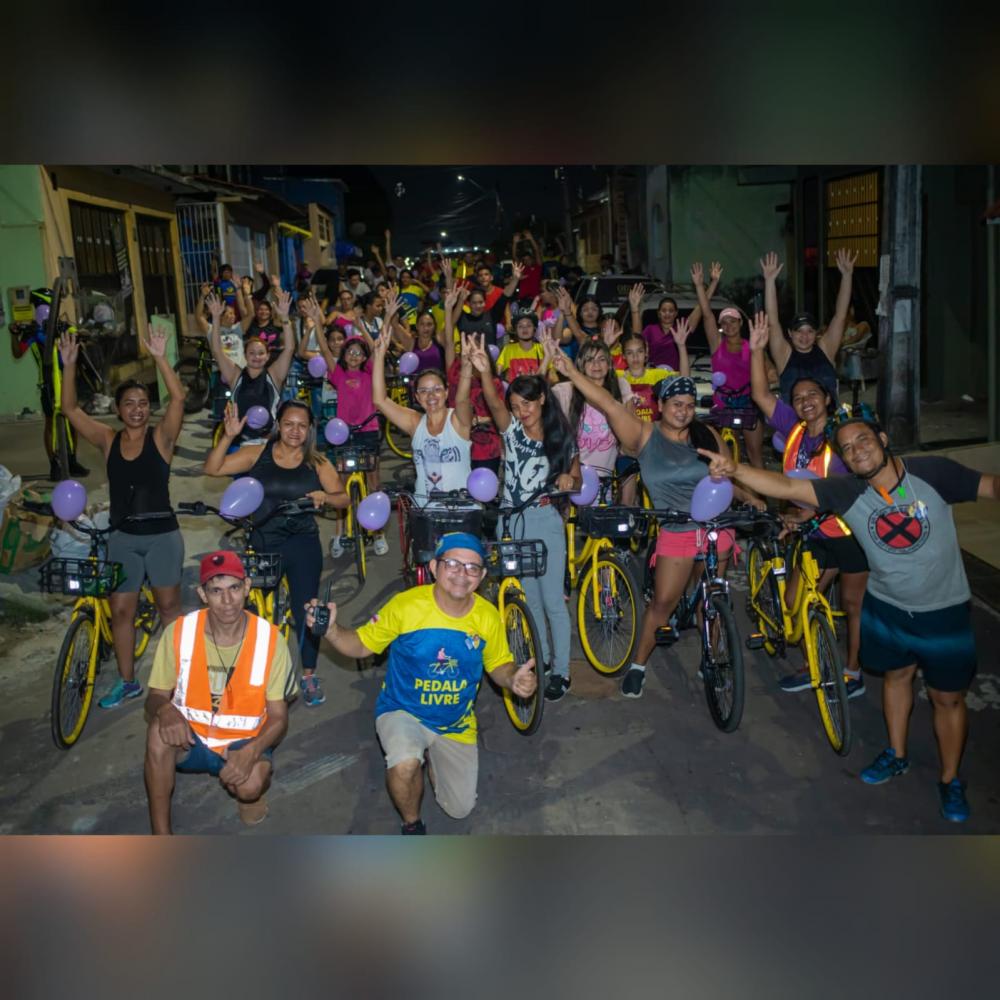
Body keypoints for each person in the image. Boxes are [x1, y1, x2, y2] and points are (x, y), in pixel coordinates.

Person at [698, 402, 999, 824]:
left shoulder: (933, 473)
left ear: (883, 440)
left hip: (943, 611)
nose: (857, 450)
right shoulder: (847, 491)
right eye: (847, 448)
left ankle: (950, 780)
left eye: (863, 440)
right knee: (895, 678)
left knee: (947, 699)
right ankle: (896, 753)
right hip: (888, 607)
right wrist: (735, 470)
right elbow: (786, 486)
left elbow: (991, 486)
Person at [549, 331, 757, 700]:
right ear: (660, 405)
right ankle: (639, 665)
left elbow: (732, 475)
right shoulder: (645, 435)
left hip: (715, 527)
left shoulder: (707, 434)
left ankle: (712, 653)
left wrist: (752, 498)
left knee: (711, 596)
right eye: (676, 404)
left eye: (689, 405)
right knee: (663, 603)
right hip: (676, 528)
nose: (683, 411)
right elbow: (608, 403)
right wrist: (572, 372)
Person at [305, 532, 537, 834]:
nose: (461, 573)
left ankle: (431, 755)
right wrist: (333, 631)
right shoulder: (406, 606)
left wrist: (514, 678)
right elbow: (361, 645)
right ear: (434, 568)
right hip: (403, 711)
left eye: (472, 567)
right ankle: (411, 823)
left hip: (456, 722)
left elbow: (498, 665)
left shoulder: (488, 616)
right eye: (452, 563)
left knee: (459, 809)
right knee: (404, 764)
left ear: (481, 577)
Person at [58, 326, 185, 708]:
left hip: (162, 537)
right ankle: (128, 681)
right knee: (121, 612)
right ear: (118, 409)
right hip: (123, 539)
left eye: (143, 403)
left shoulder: (161, 438)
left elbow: (178, 398)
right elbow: (70, 410)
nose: (137, 409)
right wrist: (69, 365)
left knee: (168, 610)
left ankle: (182, 682)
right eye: (129, 403)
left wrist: (160, 357)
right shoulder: (108, 439)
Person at [746, 316, 868, 696]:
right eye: (798, 398)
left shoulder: (845, 435)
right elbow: (761, 395)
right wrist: (757, 350)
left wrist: (809, 513)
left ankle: (852, 673)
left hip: (848, 532)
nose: (805, 402)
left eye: (812, 395)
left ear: (827, 398)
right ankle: (813, 658)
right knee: (794, 600)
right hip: (811, 532)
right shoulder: (793, 428)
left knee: (852, 605)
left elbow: (856, 486)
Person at [204, 397, 349, 706]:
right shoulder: (257, 454)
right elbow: (213, 468)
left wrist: (326, 496)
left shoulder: (317, 462)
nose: (295, 431)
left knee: (306, 609)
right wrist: (228, 436)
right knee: (251, 612)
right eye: (288, 424)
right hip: (263, 543)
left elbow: (343, 499)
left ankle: (308, 675)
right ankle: (253, 672)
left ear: (310, 430)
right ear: (278, 426)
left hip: (302, 544)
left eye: (302, 426)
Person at [467, 334, 582, 701]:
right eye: (516, 406)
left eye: (527, 404)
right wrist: (484, 371)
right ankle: (542, 662)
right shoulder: (512, 431)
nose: (521, 412)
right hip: (510, 522)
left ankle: (561, 671)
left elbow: (577, 478)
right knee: (528, 599)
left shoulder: (561, 437)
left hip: (545, 521)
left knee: (552, 602)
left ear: (542, 399)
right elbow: (492, 401)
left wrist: (569, 480)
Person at [143, 550, 292, 834]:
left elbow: (279, 717)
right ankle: (161, 835)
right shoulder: (179, 632)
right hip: (191, 737)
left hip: (244, 741)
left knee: (249, 786)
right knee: (157, 733)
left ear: (246, 587)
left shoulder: (271, 640)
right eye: (216, 591)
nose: (227, 601)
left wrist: (251, 752)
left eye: (234, 588)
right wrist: (164, 709)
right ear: (202, 594)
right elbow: (155, 695)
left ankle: (249, 798)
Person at [305, 295, 390, 559]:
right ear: (343, 355)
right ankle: (339, 533)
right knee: (340, 488)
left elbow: (377, 347)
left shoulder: (370, 372)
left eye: (358, 353)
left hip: (368, 431)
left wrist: (370, 322)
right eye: (350, 352)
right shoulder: (338, 374)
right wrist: (317, 322)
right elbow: (323, 347)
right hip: (343, 435)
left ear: (364, 357)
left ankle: (378, 533)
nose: (354, 356)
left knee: (374, 483)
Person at [372, 293, 473, 501]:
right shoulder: (415, 422)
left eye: (436, 389)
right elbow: (380, 400)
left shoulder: (458, 419)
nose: (431, 396)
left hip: (461, 510)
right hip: (425, 511)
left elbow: (462, 399)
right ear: (417, 397)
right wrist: (379, 356)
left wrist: (467, 366)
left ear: (446, 392)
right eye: (424, 391)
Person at [690, 261, 765, 468]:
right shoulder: (717, 344)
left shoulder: (752, 346)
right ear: (720, 326)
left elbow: (767, 372)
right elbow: (707, 314)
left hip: (748, 404)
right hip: (723, 406)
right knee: (724, 457)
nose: (729, 325)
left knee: (755, 456)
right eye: (725, 322)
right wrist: (701, 285)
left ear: (740, 323)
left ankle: (760, 489)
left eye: (733, 321)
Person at [10, 288, 89, 479]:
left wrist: (81, 335)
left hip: (66, 380)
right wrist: (13, 334)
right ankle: (54, 464)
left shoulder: (63, 327)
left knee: (73, 418)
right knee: (50, 422)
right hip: (47, 382)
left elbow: (80, 336)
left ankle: (72, 460)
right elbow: (18, 353)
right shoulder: (32, 332)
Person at [761, 248, 857, 402]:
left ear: (816, 333)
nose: (804, 336)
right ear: (790, 333)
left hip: (826, 416)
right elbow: (772, 320)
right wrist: (770, 281)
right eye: (799, 331)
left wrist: (847, 276)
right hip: (794, 417)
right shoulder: (784, 355)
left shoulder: (826, 349)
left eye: (810, 331)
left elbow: (840, 316)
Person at [206, 290, 296, 447]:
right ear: (245, 355)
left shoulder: (274, 375)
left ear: (267, 356)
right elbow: (217, 350)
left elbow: (289, 348)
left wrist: (285, 317)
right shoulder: (235, 375)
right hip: (239, 441)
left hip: (267, 441)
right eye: (252, 353)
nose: (256, 356)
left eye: (261, 353)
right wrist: (215, 318)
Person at [550, 335, 635, 486]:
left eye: (601, 359)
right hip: (575, 477)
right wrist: (546, 360)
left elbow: (631, 430)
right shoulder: (566, 390)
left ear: (609, 364)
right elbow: (536, 396)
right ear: (581, 364)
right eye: (590, 360)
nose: (596, 364)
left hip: (607, 479)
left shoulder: (621, 386)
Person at [616, 332, 673, 506]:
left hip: (654, 443)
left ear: (646, 352)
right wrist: (607, 345)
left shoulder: (659, 375)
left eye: (639, 351)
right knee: (627, 496)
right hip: (627, 445)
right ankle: (628, 514)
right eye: (630, 353)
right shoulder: (617, 377)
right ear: (623, 356)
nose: (635, 357)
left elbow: (683, 381)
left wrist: (681, 346)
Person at [497, 310, 547, 381]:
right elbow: (498, 373)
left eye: (528, 325)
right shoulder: (508, 349)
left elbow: (552, 376)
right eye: (520, 326)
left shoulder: (542, 349)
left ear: (534, 329)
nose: (525, 329)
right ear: (515, 330)